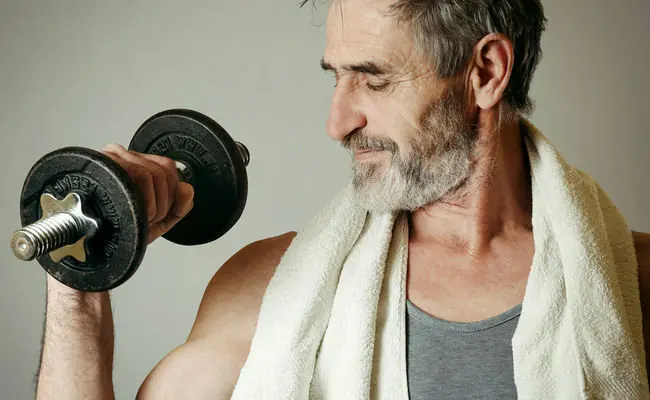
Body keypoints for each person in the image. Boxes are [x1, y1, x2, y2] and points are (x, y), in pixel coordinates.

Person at [34, 0, 650, 399]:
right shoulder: (272, 292)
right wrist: (79, 280)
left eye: (373, 79)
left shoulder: (634, 288)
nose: (337, 123)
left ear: (485, 72)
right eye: (337, 76)